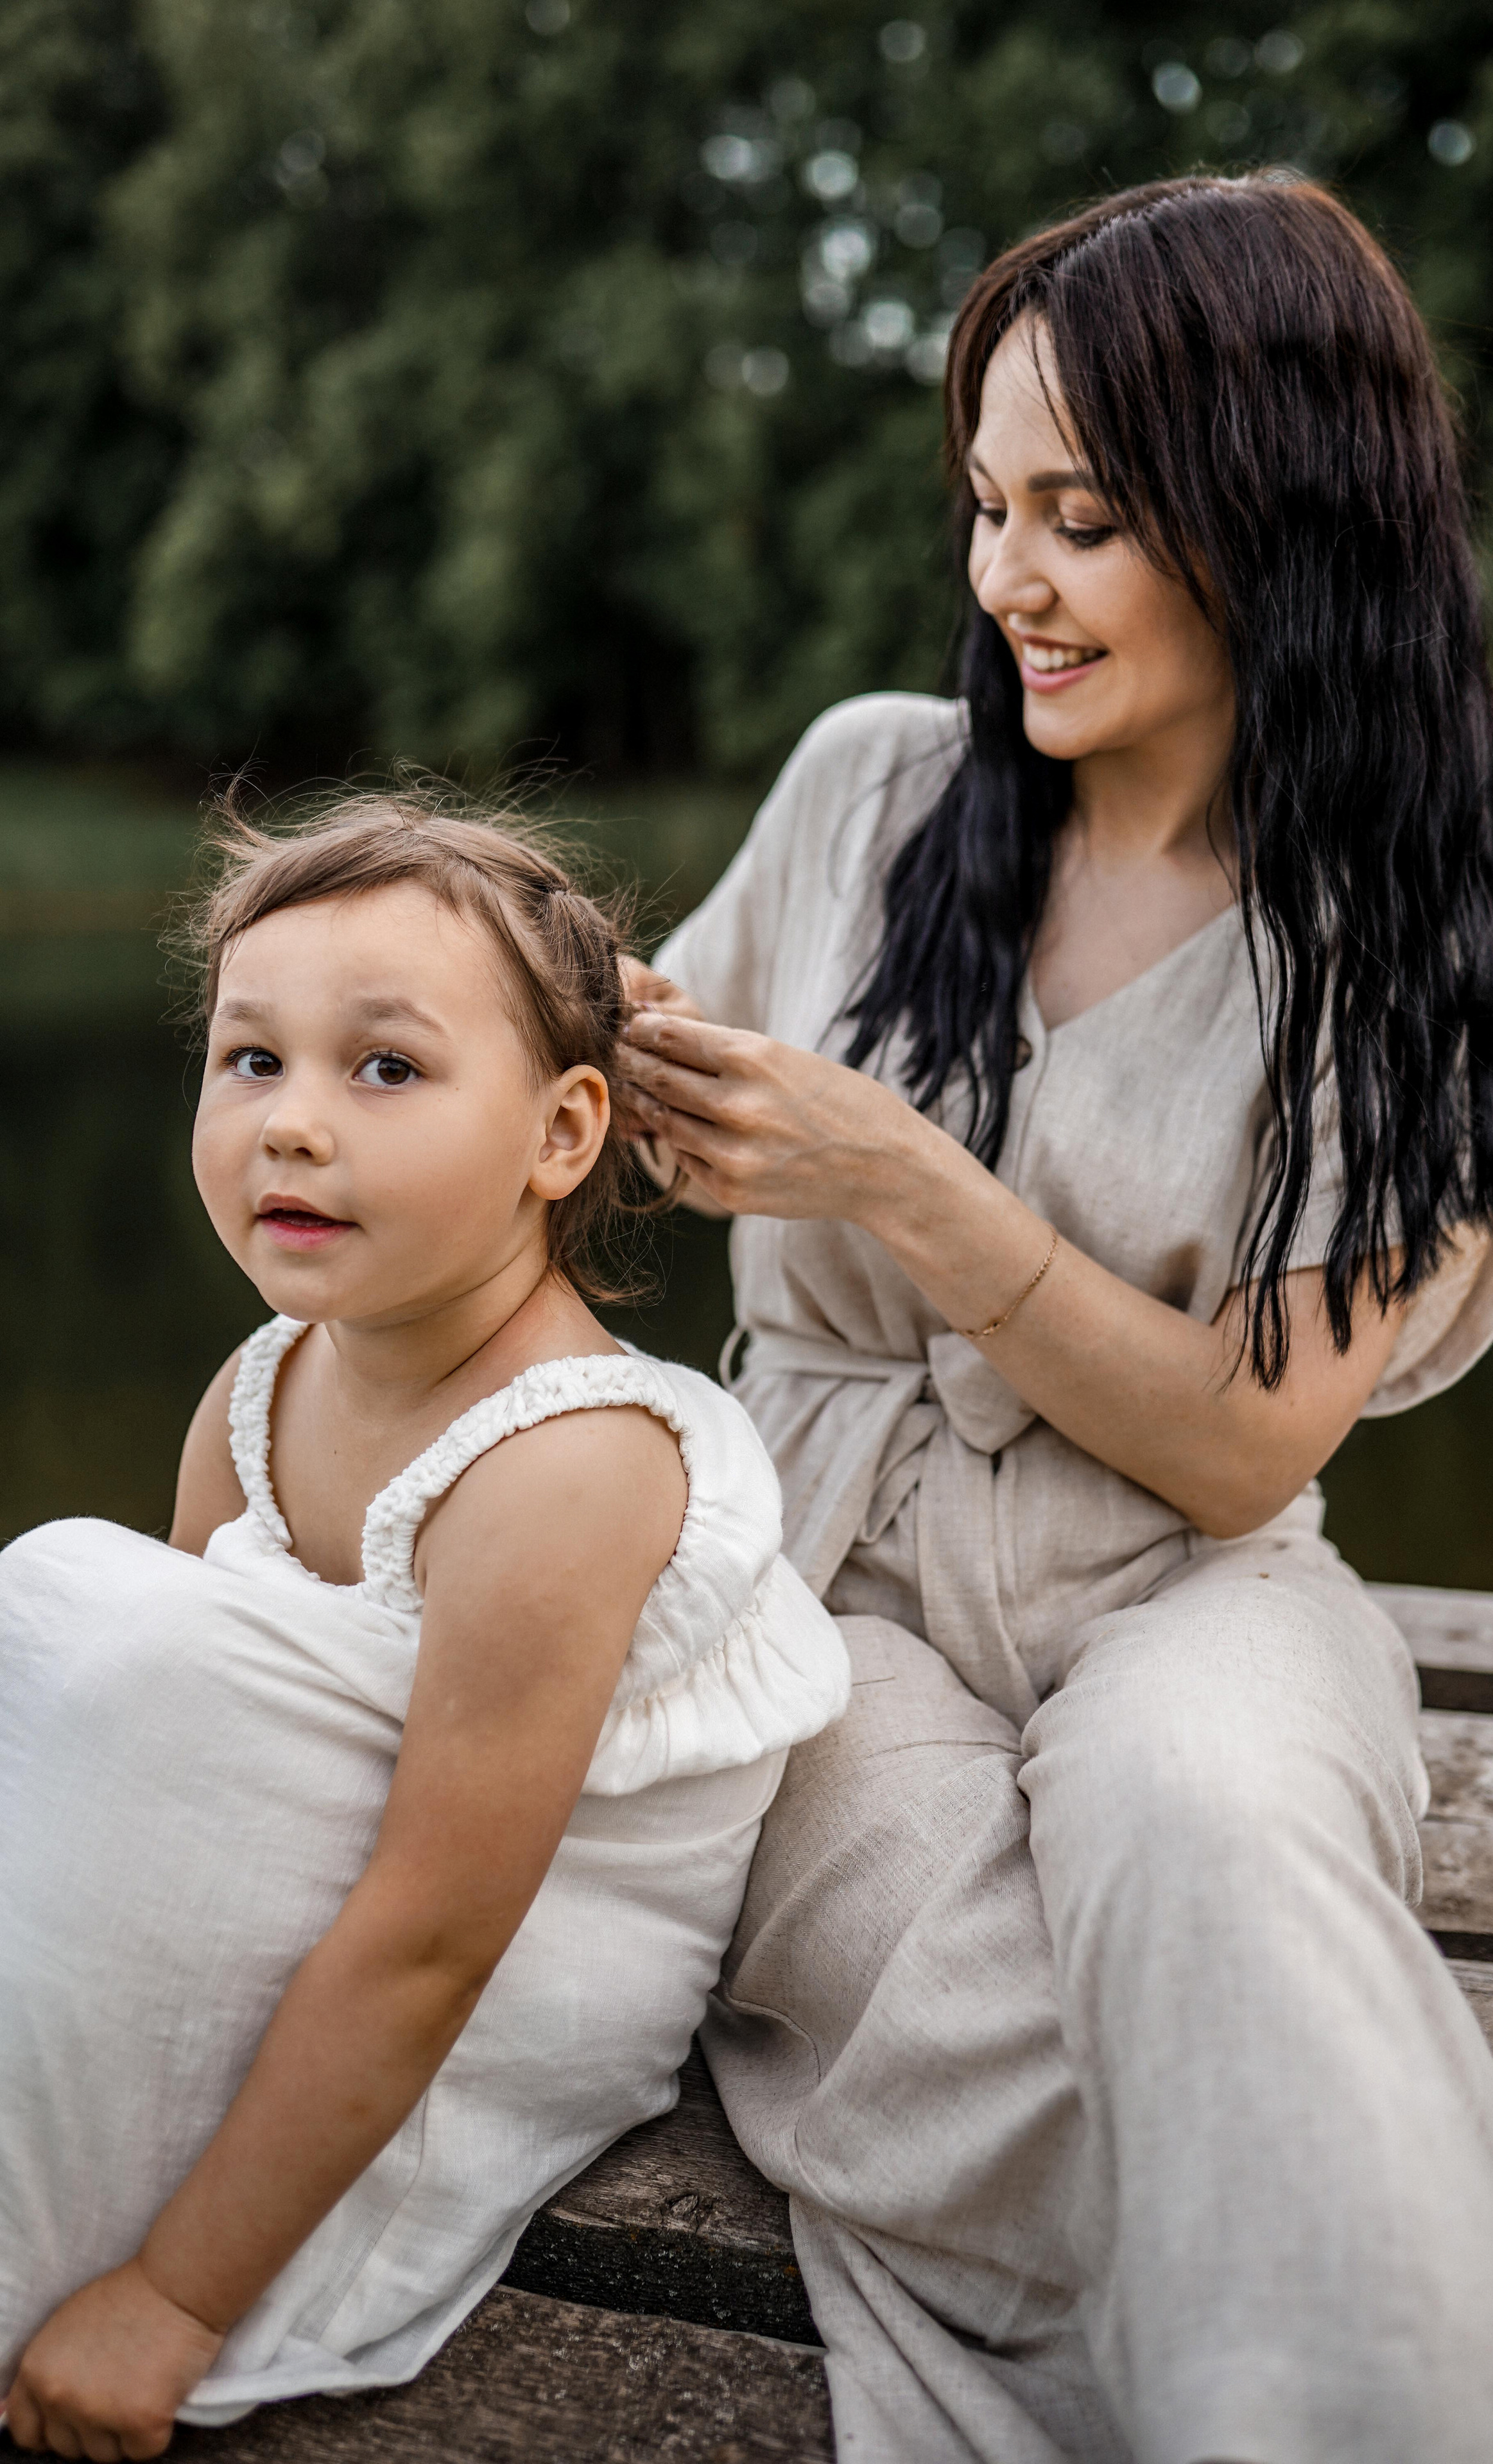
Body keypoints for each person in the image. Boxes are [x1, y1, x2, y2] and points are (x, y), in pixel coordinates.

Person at [619, 175, 1493, 2461]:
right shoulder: (872, 787)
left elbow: (1242, 1449)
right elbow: (609, 1070)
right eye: (988, 505)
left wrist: (898, 1175)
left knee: (1214, 1830)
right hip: (829, 1578)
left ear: (1276, 523)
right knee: (936, 1970)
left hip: (1193, 1572)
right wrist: (461, 1045)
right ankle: (1365, 2383)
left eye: (1079, 515)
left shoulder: (1388, 939)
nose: (1006, 583)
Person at [0, 791, 850, 2456]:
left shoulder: (572, 1465)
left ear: (559, 1133)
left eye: (383, 1068)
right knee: (81, 1626)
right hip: (346, 1878)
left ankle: (103, 2238)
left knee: (72, 1609)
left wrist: (175, 2295)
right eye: (251, 1060)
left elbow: (440, 1934)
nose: (290, 1126)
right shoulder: (259, 1384)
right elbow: (179, 1749)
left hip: (504, 1956)